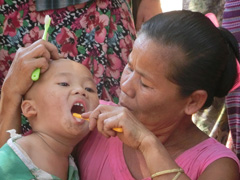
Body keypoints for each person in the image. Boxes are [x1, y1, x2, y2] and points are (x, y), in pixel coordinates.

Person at [1, 11, 240, 180]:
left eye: (145, 84)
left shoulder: (217, 166)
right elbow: (13, 165)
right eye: (129, 66)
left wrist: (147, 144)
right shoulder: (94, 121)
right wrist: (11, 93)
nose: (125, 86)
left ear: (193, 101)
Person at [0, 57, 99, 179]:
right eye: (64, 83)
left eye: (89, 88)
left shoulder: (72, 166)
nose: (81, 91)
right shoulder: (11, 158)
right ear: (30, 108)